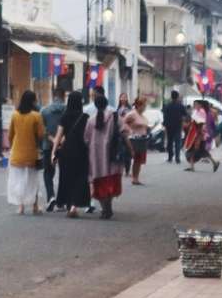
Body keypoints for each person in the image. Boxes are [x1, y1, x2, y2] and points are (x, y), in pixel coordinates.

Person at [84, 90, 125, 219]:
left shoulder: (90, 121)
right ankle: (108, 206)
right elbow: (124, 131)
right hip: (112, 156)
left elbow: (86, 139)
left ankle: (104, 208)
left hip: (96, 158)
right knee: (111, 182)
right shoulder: (114, 117)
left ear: (96, 105)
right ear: (106, 104)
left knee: (99, 183)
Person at [52, 88, 93, 217]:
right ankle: (75, 205)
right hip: (81, 150)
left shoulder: (64, 116)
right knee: (80, 178)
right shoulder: (86, 117)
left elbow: (58, 136)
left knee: (67, 178)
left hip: (66, 151)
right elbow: (89, 136)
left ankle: (69, 204)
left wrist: (53, 152)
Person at [6, 90, 48, 213]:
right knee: (32, 180)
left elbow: (10, 135)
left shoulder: (15, 115)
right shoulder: (36, 116)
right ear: (33, 101)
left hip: (17, 153)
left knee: (18, 180)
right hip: (31, 153)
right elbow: (41, 134)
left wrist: (12, 147)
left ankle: (21, 207)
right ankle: (35, 206)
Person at [40, 89, 69, 202]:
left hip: (48, 145)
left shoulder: (44, 111)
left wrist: (52, 139)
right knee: (64, 172)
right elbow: (69, 127)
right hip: (64, 146)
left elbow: (42, 129)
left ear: (53, 96)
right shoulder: (67, 110)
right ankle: (63, 199)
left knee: (48, 172)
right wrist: (61, 139)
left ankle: (51, 196)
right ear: (63, 96)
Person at [122, 96, 152, 185]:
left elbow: (144, 125)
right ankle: (132, 176)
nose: (145, 107)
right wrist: (130, 131)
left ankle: (136, 178)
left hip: (142, 140)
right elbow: (123, 123)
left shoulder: (142, 115)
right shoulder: (132, 114)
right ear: (139, 105)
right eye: (144, 105)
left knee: (139, 159)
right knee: (134, 157)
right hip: (133, 140)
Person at [185, 100, 220, 172]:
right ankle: (214, 163)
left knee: (195, 151)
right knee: (198, 151)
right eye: (194, 104)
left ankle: (214, 162)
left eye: (197, 104)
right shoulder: (199, 112)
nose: (195, 106)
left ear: (201, 105)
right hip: (197, 135)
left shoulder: (203, 113)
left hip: (199, 136)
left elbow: (202, 124)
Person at [161, 90, 188, 164]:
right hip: (178, 126)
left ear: (171, 96)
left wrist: (165, 124)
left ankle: (170, 157)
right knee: (177, 142)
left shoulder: (167, 105)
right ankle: (177, 158)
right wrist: (182, 120)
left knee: (170, 142)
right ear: (177, 97)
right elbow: (185, 114)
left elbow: (165, 116)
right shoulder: (180, 106)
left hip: (169, 126)